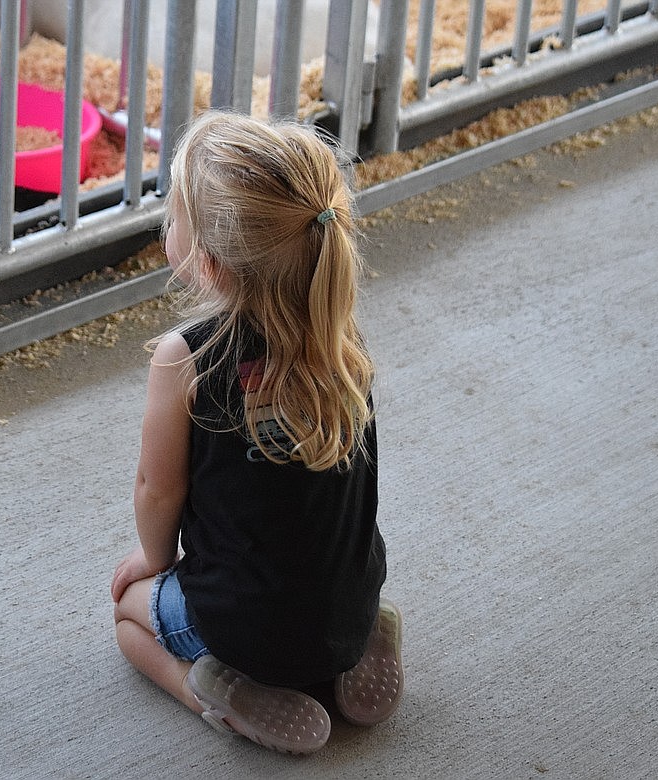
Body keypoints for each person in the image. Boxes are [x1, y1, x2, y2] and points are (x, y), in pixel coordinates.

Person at [110, 110, 403, 755]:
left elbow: (158, 492)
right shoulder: (340, 340)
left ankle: (211, 694)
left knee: (130, 613)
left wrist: (154, 562)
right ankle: (358, 644)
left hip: (243, 630)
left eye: (174, 214)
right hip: (349, 605)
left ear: (211, 265)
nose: (168, 223)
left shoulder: (183, 359)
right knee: (314, 561)